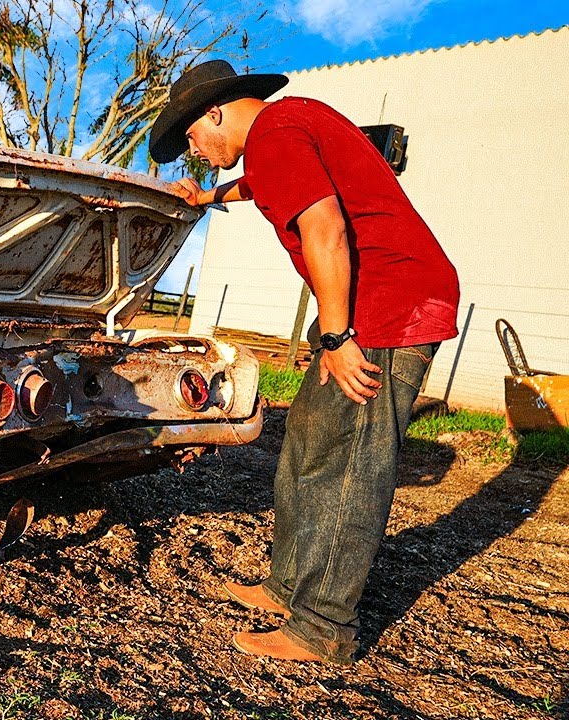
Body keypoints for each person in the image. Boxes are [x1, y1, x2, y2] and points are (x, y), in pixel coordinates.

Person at [148, 60, 460, 663]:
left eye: (191, 137)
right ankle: (289, 585)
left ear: (214, 111)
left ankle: (324, 628)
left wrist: (338, 337)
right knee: (310, 441)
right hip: (364, 303)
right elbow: (261, 186)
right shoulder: (283, 133)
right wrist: (211, 195)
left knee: (349, 461)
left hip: (387, 306)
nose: (196, 151)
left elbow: (325, 229)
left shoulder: (277, 137)